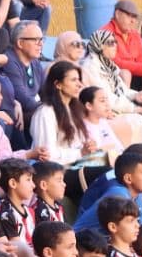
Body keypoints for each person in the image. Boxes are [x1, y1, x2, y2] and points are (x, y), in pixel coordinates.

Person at [28, 62, 116, 205]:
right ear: (58, 84)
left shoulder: (75, 110)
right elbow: (47, 155)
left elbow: (79, 146)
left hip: (77, 164)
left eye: (79, 80)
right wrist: (80, 153)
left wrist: (88, 148)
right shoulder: (46, 113)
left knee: (123, 166)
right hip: (57, 172)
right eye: (73, 80)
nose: (79, 85)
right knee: (109, 173)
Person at [2, 21, 47, 126]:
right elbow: (22, 99)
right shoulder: (9, 61)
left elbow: (47, 92)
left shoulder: (35, 62)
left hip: (31, 111)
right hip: (17, 114)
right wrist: (50, 109)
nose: (41, 44)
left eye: (41, 39)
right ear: (20, 43)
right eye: (35, 40)